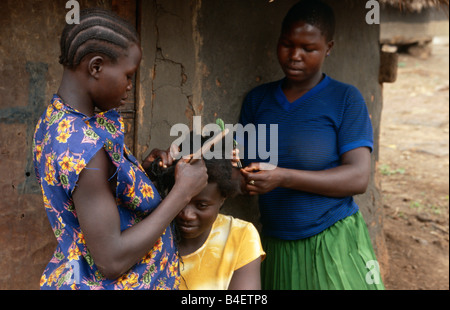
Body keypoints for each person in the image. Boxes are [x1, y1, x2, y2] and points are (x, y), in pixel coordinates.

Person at [33, 8, 208, 290]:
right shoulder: (84, 147)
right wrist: (181, 194)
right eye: (128, 75)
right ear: (96, 67)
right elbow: (111, 261)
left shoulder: (57, 119)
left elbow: (90, 193)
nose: (129, 86)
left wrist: (137, 172)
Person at [238, 0, 385, 290]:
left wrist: (283, 177)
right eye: (287, 44)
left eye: (308, 49)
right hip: (277, 244)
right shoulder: (259, 101)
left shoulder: (345, 100)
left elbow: (358, 177)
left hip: (332, 241)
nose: (295, 56)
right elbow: (243, 167)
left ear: (328, 47)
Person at [148, 132, 265, 290]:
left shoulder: (240, 237)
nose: (187, 215)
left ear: (223, 197)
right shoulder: (149, 236)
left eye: (201, 205)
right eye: (181, 200)